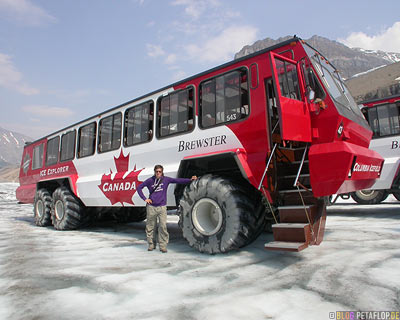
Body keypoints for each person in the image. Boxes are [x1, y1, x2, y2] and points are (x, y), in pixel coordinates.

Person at [137, 165, 197, 253]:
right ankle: (151, 245)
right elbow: (139, 188)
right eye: (156, 171)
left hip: (162, 207)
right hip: (151, 207)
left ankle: (163, 246)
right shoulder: (150, 180)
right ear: (154, 172)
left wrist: (190, 180)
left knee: (163, 227)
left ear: (162, 172)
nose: (158, 173)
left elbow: (178, 180)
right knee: (150, 227)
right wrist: (145, 199)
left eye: (159, 171)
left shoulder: (166, 179)